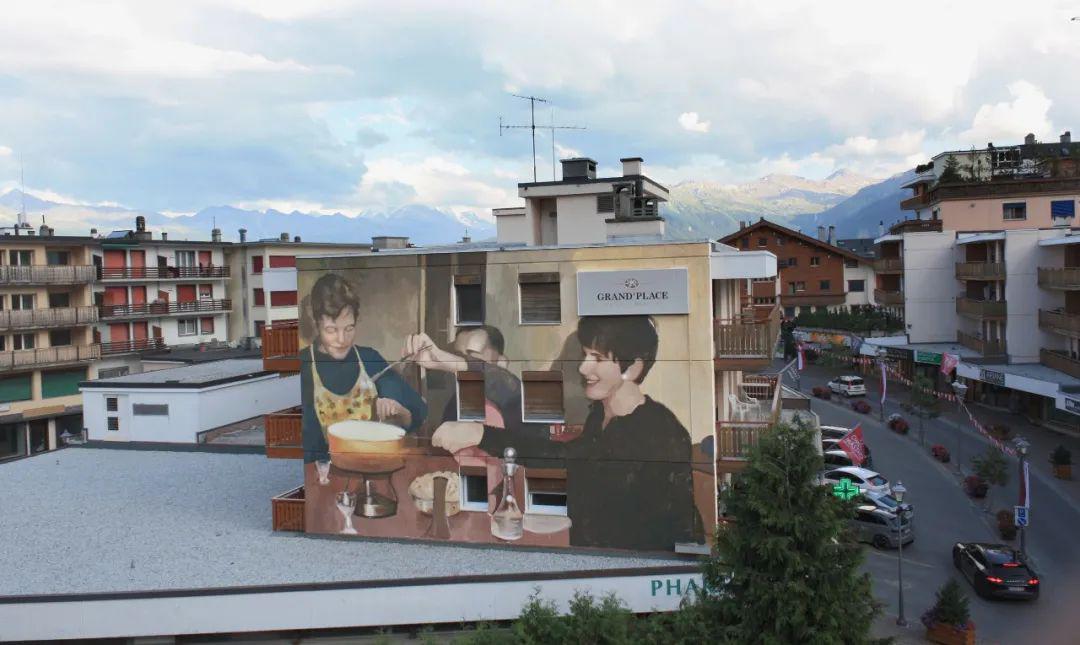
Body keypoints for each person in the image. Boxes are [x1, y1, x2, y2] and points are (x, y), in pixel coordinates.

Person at [432, 315, 694, 551]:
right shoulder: (601, 417)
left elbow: (566, 462)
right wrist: (479, 433)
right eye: (585, 355)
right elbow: (566, 458)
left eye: (597, 358)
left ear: (633, 368)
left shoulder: (658, 433)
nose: (583, 368)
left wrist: (481, 435)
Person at [301, 273, 427, 462]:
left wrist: (400, 411)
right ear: (316, 323)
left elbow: (419, 412)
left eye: (349, 328)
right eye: (331, 330)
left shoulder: (369, 359)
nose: (342, 340)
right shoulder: (302, 366)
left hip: (372, 465)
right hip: (324, 473)